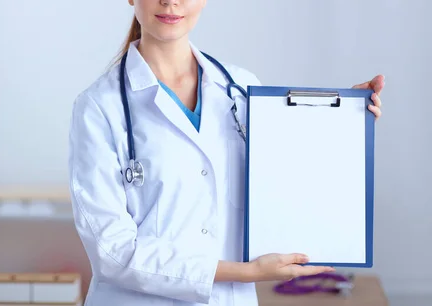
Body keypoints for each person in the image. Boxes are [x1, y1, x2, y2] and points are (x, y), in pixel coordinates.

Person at [67, 1, 384, 305]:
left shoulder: (243, 89)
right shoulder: (99, 108)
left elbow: (290, 180)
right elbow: (113, 254)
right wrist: (245, 273)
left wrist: (345, 121)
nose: (170, 1)